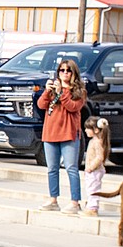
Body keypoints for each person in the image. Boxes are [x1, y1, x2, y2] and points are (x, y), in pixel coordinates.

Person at [37, 59, 87, 214]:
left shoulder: (78, 91)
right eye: (62, 70)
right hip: (50, 133)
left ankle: (75, 202)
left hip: (69, 134)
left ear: (73, 73)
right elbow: (41, 105)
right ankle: (53, 200)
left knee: (71, 168)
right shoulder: (53, 90)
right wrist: (47, 91)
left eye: (68, 70)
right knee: (52, 168)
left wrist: (61, 94)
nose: (64, 73)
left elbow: (73, 107)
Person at [82, 117, 110, 218]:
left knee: (93, 189)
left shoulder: (97, 142)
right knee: (90, 188)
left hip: (95, 170)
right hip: (92, 171)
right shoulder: (94, 141)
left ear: (96, 130)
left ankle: (93, 208)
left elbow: (99, 157)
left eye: (87, 128)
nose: (85, 130)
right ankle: (90, 206)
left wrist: (91, 167)